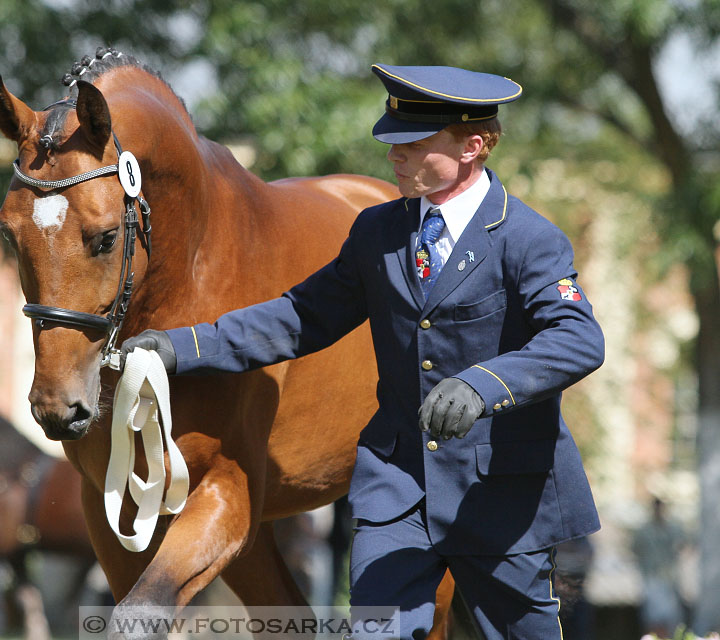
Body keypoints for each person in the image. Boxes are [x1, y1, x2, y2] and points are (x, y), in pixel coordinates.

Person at [121, 64, 604, 639]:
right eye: (392, 141)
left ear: (474, 145)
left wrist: (483, 385)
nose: (394, 155)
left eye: (416, 143)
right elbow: (300, 317)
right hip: (396, 492)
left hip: (499, 495)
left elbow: (577, 338)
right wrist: (184, 346)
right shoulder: (377, 233)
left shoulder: (530, 239)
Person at [632, 497, 687, 638]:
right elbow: (636, 549)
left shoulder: (673, 528)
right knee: (653, 616)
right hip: (651, 577)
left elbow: (683, 545)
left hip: (670, 578)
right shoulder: (644, 530)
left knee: (672, 617)